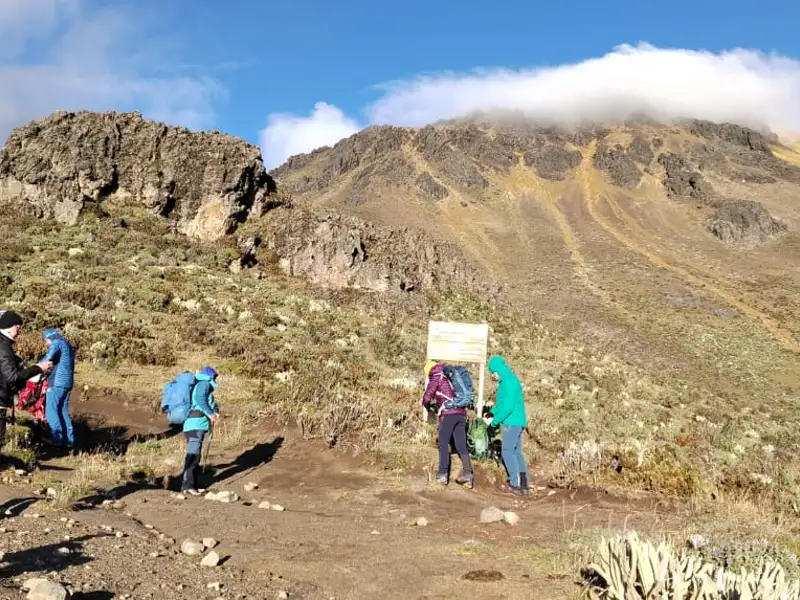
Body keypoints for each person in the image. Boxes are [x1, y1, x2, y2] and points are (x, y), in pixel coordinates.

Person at [0, 311, 51, 457]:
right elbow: (12, 377)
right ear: (8, 327)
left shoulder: (4, 345)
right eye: (17, 326)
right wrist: (38, 368)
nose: (19, 330)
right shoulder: (3, 348)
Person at [421, 360, 474, 489]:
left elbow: (427, 397)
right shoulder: (448, 372)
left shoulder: (436, 376)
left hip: (449, 414)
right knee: (461, 445)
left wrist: (428, 406)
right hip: (461, 414)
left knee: (443, 443)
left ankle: (443, 474)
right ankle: (468, 474)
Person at [483, 355, 529, 496]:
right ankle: (524, 484)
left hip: (512, 421)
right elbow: (502, 405)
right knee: (516, 452)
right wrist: (491, 412)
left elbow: (507, 407)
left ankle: (514, 484)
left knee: (507, 451)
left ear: (498, 370)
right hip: (519, 421)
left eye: (493, 372)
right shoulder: (510, 380)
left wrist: (494, 422)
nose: (493, 376)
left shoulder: (507, 382)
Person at [181, 366, 220, 495]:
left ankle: (191, 486)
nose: (216, 379)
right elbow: (200, 399)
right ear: (211, 376)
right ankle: (188, 486)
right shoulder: (204, 384)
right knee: (193, 454)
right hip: (196, 424)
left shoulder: (200, 383)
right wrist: (211, 414)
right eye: (215, 377)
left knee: (195, 454)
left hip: (194, 424)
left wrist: (213, 411)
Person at [41, 328, 76, 448]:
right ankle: (69, 441)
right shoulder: (68, 346)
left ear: (48, 338)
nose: (45, 345)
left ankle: (57, 439)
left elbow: (48, 359)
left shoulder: (56, 343)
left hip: (56, 382)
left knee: (50, 411)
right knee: (63, 411)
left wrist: (37, 367)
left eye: (45, 342)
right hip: (68, 382)